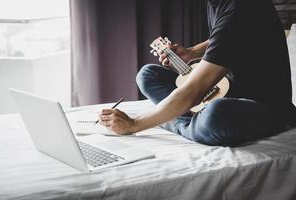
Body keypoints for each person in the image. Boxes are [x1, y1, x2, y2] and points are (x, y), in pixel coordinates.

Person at [99, 0, 296, 147]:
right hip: (232, 90)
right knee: (148, 75)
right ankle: (185, 121)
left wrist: (135, 124)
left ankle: (177, 122)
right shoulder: (218, 3)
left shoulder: (241, 7)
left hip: (269, 108)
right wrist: (193, 52)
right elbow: (226, 37)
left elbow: (194, 92)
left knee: (214, 115)